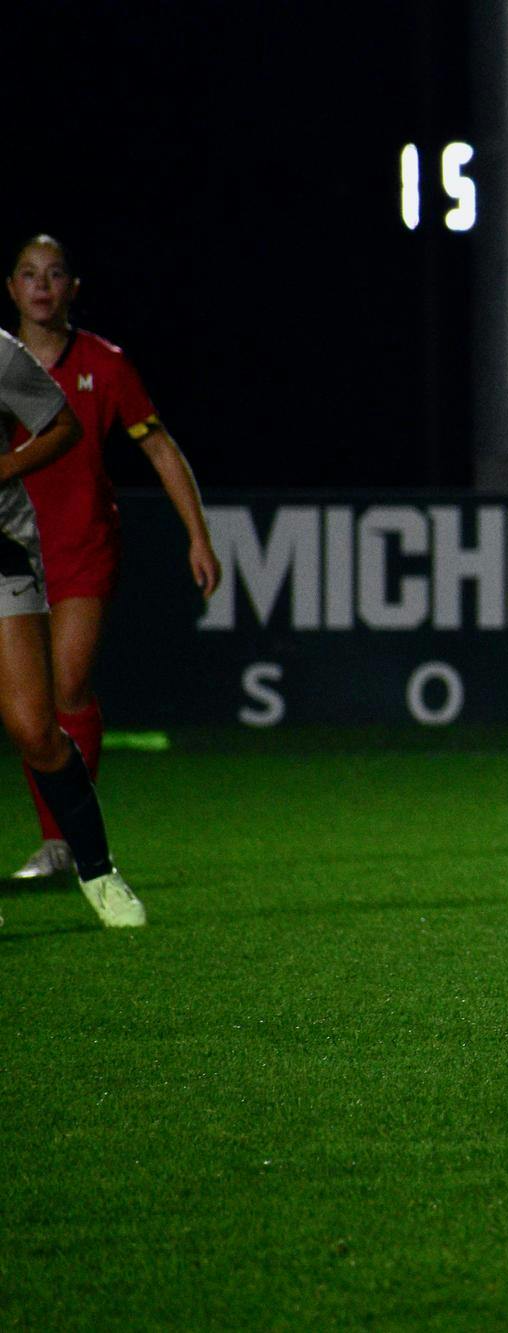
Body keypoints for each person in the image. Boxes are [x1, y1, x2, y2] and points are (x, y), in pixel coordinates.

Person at [6, 235, 219, 879]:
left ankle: (61, 842)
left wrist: (198, 535)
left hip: (83, 548)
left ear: (73, 287)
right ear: (11, 288)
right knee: (30, 709)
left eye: (54, 274)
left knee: (68, 685)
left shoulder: (105, 363)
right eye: (28, 274)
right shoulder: (4, 363)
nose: (42, 286)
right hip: (14, 550)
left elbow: (158, 448)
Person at [0, 325, 145, 927]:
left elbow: (64, 425)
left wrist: (6, 465)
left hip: (0, 547)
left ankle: (95, 867)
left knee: (35, 728)